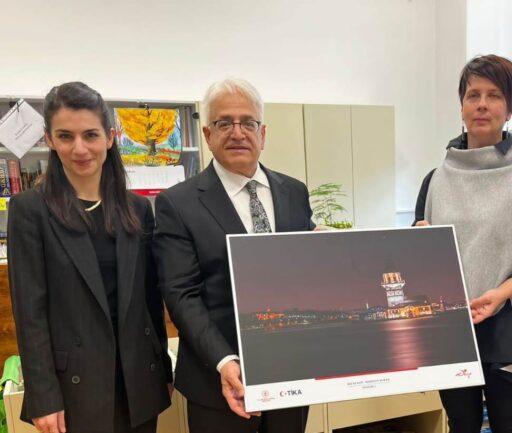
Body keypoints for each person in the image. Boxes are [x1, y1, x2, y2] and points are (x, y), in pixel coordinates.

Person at [8, 82, 172, 433]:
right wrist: (43, 396)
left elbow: (149, 300)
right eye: (65, 136)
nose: (79, 148)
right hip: (74, 390)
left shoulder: (137, 209)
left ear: (110, 137)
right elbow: (30, 314)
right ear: (50, 139)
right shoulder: (30, 210)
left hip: (138, 380)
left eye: (91, 135)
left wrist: (164, 370)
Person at [153, 78, 314, 433]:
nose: (238, 132)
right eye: (224, 123)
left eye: (248, 123)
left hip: (291, 375)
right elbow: (182, 295)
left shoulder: (295, 192)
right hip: (217, 381)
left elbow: (306, 274)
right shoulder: (177, 204)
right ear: (208, 134)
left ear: (263, 133)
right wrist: (224, 360)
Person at [414, 54, 512, 433]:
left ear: (510, 109)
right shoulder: (434, 181)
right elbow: (419, 252)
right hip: (451, 330)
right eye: (473, 95)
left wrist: (500, 293)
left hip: (510, 327)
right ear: (461, 106)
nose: (481, 104)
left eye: (494, 96)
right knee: (461, 425)